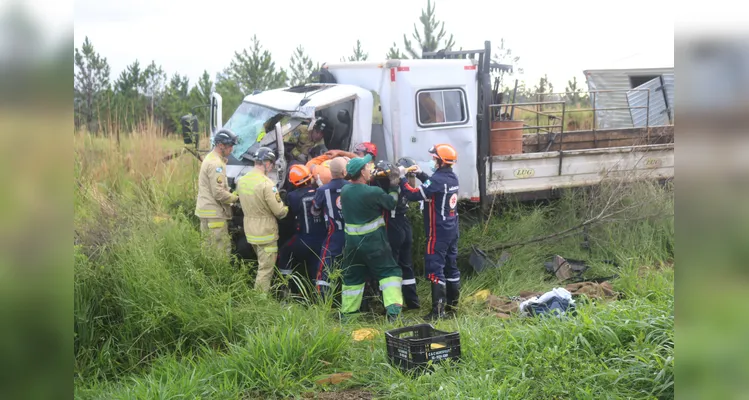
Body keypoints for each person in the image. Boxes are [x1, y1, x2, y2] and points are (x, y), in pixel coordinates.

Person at [339, 154, 404, 321]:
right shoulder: (372, 192)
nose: (369, 169)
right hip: (374, 243)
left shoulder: (345, 191)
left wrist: (371, 178)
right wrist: (394, 185)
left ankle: (348, 314)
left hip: (352, 245)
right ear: (361, 172)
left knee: (353, 277)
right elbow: (391, 203)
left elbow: (359, 191)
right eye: (367, 167)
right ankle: (394, 314)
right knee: (389, 272)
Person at [399, 144, 460, 320]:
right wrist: (421, 174)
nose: (433, 161)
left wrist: (403, 178)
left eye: (434, 159)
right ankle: (451, 307)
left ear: (441, 162)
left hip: (437, 232)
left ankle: (438, 312)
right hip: (451, 230)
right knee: (451, 267)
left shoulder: (437, 180)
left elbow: (412, 194)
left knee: (435, 269)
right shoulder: (451, 178)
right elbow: (432, 186)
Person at [236, 147, 289, 293]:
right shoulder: (267, 184)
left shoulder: (242, 181)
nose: (271, 167)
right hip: (266, 233)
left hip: (250, 231)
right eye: (271, 164)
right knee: (265, 269)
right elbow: (279, 212)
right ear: (266, 163)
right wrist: (287, 208)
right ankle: (259, 301)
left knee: (260, 263)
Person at [370, 159, 421, 310]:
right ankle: (413, 301)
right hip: (405, 225)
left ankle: (391, 303)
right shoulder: (407, 185)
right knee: (406, 265)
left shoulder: (388, 187)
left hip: (392, 226)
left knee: (391, 267)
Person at [278, 164, 328, 297]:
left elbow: (288, 217)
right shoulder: (321, 192)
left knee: (284, 252)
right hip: (322, 240)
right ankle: (318, 296)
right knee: (315, 265)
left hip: (304, 238)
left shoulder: (293, 196)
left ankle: (285, 287)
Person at [194, 129, 240, 256]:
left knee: (208, 248)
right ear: (221, 145)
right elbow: (218, 193)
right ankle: (220, 274)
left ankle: (208, 274)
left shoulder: (210, 158)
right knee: (221, 249)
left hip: (205, 210)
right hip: (214, 213)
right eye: (230, 146)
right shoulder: (216, 164)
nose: (232, 149)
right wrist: (235, 198)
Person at [311, 157, 349, 299]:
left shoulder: (322, 190)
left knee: (325, 266)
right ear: (345, 172)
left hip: (333, 234)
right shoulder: (351, 187)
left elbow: (315, 210)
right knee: (350, 265)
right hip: (351, 234)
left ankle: (322, 300)